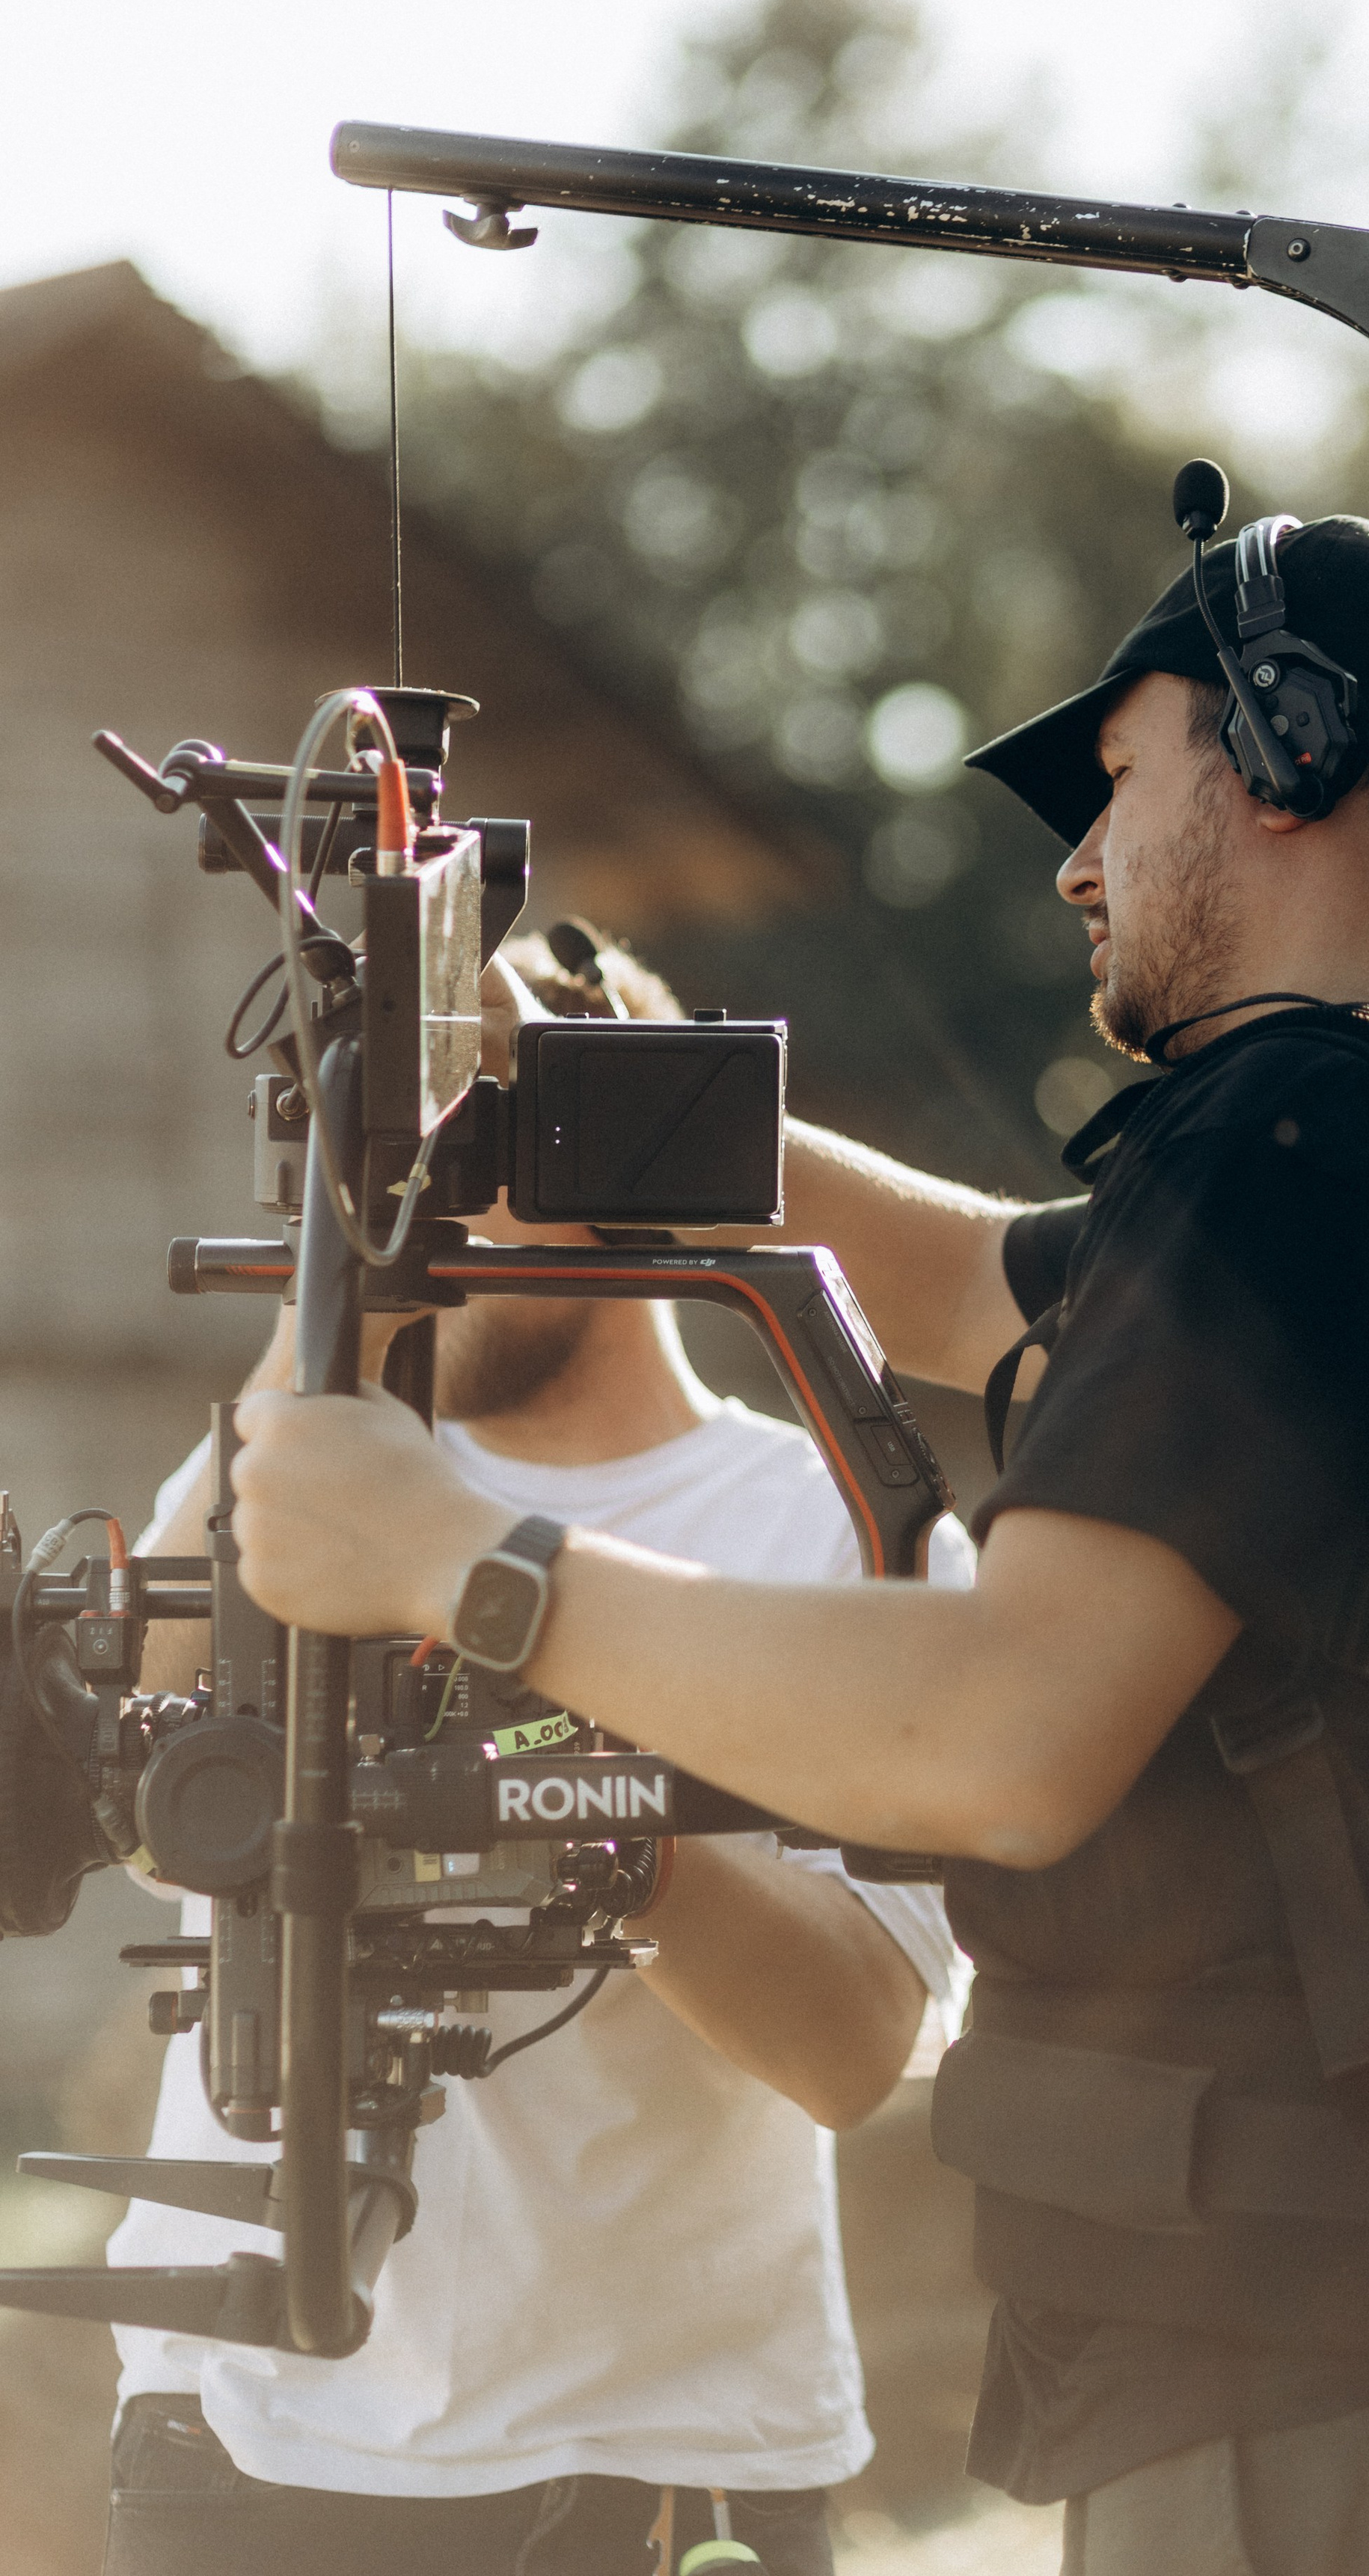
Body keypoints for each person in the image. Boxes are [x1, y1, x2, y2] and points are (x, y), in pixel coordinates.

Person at [225, 518, 1369, 2576]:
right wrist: (539, 1088)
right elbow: (943, 1280)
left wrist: (461, 1559)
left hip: (1366, 2376)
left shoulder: (1297, 1153)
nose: (1077, 863)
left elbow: (999, 1743)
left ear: (1280, 748)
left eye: (1116, 777)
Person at [104, 937, 973, 2576]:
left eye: (473, 1154)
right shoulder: (313, 1468)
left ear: (623, 1156)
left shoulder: (829, 1521)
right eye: (388, 1158)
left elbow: (855, 2042)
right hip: (239, 2440)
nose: (429, 1209)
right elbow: (148, 1801)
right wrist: (336, 1304)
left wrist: (556, 1766)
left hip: (653, 2470)